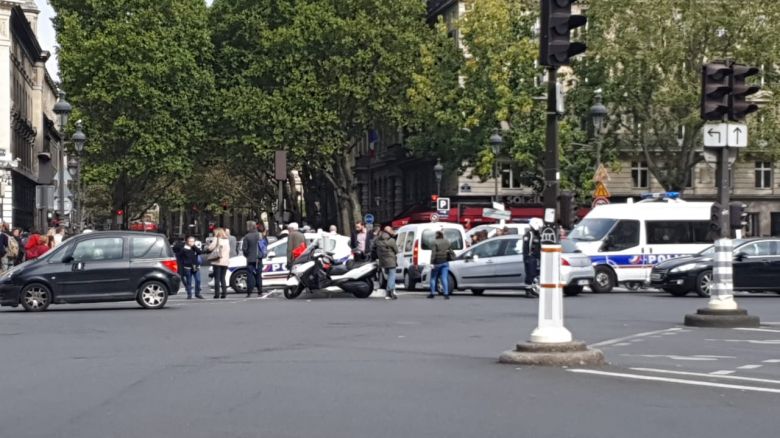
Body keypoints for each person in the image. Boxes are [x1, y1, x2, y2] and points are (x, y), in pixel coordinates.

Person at [374, 226, 398, 300]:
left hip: (383, 261)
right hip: (391, 260)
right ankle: (389, 292)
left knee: (389, 276)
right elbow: (396, 250)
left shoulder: (377, 240)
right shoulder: (391, 240)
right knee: (392, 276)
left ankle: (392, 292)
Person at [208, 228, 231, 299]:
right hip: (225, 262)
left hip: (217, 261)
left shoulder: (216, 239)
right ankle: (224, 293)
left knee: (217, 279)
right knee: (222, 278)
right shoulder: (226, 240)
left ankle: (217, 294)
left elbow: (210, 248)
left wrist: (209, 245)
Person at [241, 221, 263, 297]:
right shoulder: (260, 235)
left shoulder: (247, 236)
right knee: (258, 275)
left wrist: (247, 255)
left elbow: (244, 249)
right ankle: (260, 291)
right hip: (259, 257)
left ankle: (249, 292)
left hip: (250, 258)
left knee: (250, 275)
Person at [428, 231, 452, 299]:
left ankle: (432, 293)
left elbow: (433, 253)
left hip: (437, 262)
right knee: (444, 278)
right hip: (445, 261)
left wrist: (431, 262)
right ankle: (446, 294)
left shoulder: (434, 242)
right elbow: (449, 250)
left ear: (437, 235)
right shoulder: (447, 241)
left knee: (433, 278)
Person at [522, 218, 543, 293]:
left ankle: (532, 289)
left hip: (537, 258)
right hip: (530, 257)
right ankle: (528, 290)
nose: (540, 229)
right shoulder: (529, 235)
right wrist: (527, 257)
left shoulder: (537, 235)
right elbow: (526, 248)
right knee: (530, 274)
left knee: (535, 274)